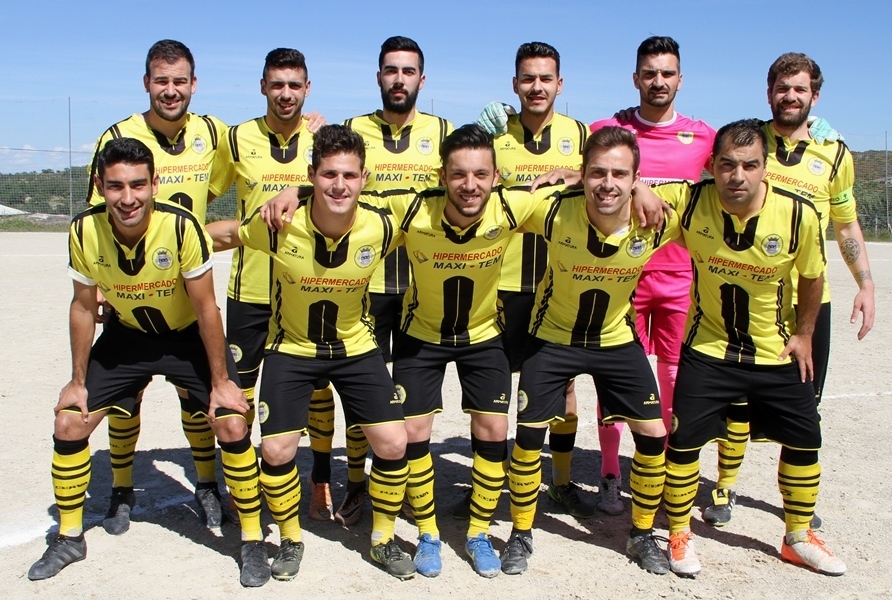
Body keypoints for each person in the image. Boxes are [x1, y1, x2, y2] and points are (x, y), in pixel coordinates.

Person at [263, 124, 577, 578]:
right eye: (459, 174)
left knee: (494, 429)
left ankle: (477, 533)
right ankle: (428, 532)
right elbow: (345, 193)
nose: (470, 185)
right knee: (410, 433)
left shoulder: (512, 206)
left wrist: (589, 175)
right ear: (441, 176)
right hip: (421, 335)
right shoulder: (413, 207)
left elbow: (593, 196)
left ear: (496, 177)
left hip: (483, 335)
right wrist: (296, 190)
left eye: (481, 174)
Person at [28, 138, 269, 587]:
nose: (128, 197)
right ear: (100, 186)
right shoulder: (84, 230)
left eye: (138, 185)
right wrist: (77, 381)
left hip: (186, 338)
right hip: (126, 338)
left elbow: (206, 309)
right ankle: (69, 537)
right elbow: (83, 306)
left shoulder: (181, 227)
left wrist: (221, 381)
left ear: (155, 184)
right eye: (116, 186)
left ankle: (251, 541)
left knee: (233, 420)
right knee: (69, 421)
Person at [208, 125, 416, 581]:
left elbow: (444, 205)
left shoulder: (382, 224)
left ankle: (382, 539)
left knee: (393, 442)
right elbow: (224, 235)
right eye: (328, 175)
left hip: (356, 347)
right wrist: (165, 244)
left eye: (349, 175)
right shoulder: (280, 225)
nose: (339, 185)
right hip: (293, 348)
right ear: (311, 175)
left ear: (364, 179)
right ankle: (290, 539)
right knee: (276, 449)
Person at [654, 119, 845, 577]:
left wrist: (804, 334)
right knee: (684, 441)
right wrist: (633, 188)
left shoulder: (798, 214)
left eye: (749, 165)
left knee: (805, 437)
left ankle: (798, 536)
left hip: (773, 350)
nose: (737, 175)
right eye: (727, 165)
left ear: (765, 167)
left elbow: (813, 276)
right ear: (711, 165)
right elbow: (630, 186)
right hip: (708, 348)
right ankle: (679, 532)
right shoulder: (690, 200)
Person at [701, 53, 875, 526]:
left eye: (800, 89)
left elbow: (846, 225)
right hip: (748, 295)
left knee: (803, 405)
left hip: (809, 303)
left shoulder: (834, 153)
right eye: (782, 87)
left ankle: (795, 502)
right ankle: (723, 488)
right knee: (736, 401)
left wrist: (865, 283)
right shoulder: (748, 142)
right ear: (769, 92)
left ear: (815, 95)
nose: (790, 96)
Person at [502, 126, 676, 576]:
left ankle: (641, 534)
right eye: (597, 172)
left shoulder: (658, 216)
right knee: (528, 435)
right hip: (553, 335)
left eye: (620, 174)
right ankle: (521, 532)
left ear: (636, 178)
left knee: (653, 434)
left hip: (615, 339)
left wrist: (645, 190)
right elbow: (486, 202)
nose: (608, 183)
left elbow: (714, 196)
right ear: (583, 174)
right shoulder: (553, 209)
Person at [84, 40, 231, 534]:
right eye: (161, 81)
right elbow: (97, 214)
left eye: (179, 81)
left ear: (194, 84)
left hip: (186, 288)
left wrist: (307, 128)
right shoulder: (118, 136)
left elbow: (244, 168)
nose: (170, 90)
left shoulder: (213, 132)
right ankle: (122, 489)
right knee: (125, 397)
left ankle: (207, 485)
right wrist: (100, 282)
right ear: (147, 83)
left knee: (196, 397)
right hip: (132, 289)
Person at [309, 36, 453, 532]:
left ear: (421, 79)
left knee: (409, 400)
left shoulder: (442, 131)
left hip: (419, 289)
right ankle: (356, 484)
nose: (399, 79)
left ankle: (408, 487)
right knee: (360, 395)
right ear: (378, 77)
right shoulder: (352, 129)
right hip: (364, 286)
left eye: (408, 71)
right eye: (391, 70)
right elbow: (325, 182)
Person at [210, 48, 337, 522]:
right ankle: (243, 486)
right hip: (250, 290)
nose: (286, 94)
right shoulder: (237, 139)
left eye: (294, 85)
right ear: (263, 86)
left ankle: (320, 481)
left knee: (318, 389)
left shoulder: (322, 138)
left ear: (307, 89)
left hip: (309, 287)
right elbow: (204, 192)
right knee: (238, 393)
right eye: (277, 84)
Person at [589, 36, 714, 515]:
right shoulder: (608, 130)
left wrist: (810, 137)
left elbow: (746, 163)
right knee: (616, 378)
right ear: (635, 78)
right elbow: (574, 168)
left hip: (681, 278)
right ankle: (609, 472)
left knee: (676, 378)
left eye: (667, 73)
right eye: (649, 73)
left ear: (680, 79)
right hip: (625, 278)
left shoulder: (703, 136)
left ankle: (660, 469)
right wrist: (638, 184)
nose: (658, 81)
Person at [474, 41, 593, 520]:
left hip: (558, 285)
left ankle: (560, 482)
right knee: (494, 391)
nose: (536, 87)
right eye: (528, 78)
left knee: (562, 390)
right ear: (514, 84)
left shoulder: (580, 133)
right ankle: (488, 486)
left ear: (560, 84)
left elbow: (612, 177)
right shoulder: (496, 133)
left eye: (546, 78)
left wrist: (578, 172)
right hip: (500, 284)